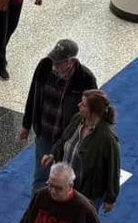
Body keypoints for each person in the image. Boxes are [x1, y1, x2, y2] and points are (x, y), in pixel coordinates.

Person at [19, 38, 98, 187]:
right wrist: (26, 123)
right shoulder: (44, 66)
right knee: (41, 177)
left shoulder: (86, 79)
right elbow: (33, 94)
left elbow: (93, 111)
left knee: (67, 180)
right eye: (54, 60)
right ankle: (38, 207)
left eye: (59, 62)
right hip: (45, 133)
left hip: (69, 139)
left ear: (71, 61)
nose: (54, 66)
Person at [46, 89, 121, 213]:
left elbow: (113, 168)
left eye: (83, 105)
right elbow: (63, 140)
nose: (78, 105)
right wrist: (52, 154)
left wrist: (110, 198)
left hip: (87, 193)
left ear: (93, 111)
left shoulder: (107, 138)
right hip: (65, 183)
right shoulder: (77, 119)